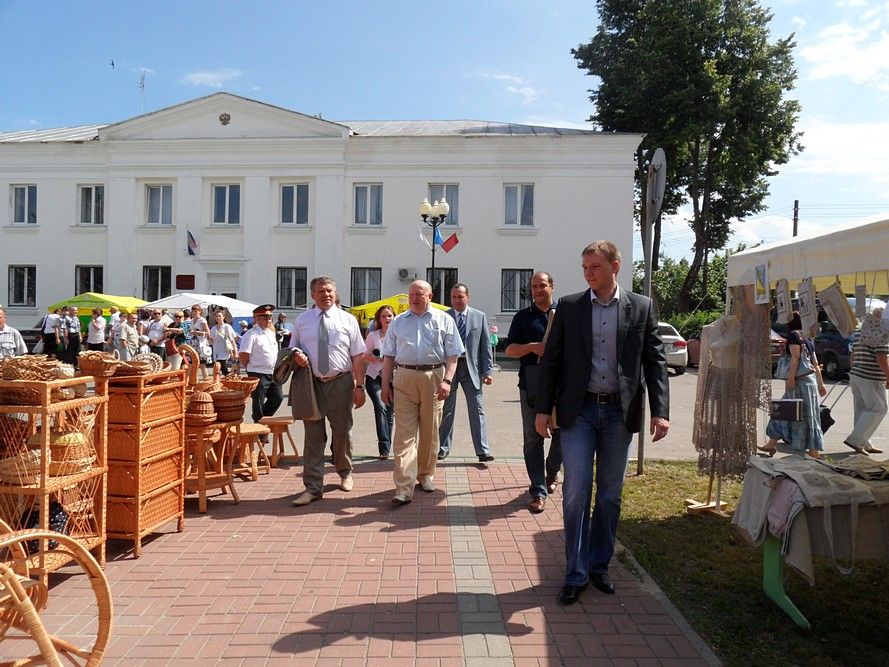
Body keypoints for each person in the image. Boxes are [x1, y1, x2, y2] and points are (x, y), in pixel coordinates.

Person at [535, 241, 670, 605]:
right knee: (576, 490)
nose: (588, 273)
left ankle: (599, 566)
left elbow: (654, 361)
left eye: (594, 266)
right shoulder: (570, 306)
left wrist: (661, 410)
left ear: (615, 266)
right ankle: (575, 572)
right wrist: (542, 408)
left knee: (610, 493)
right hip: (578, 412)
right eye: (584, 267)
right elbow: (552, 360)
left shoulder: (640, 307)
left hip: (617, 415)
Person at [381, 280, 463, 505]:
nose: (414, 298)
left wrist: (447, 380)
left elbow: (453, 355)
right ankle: (403, 487)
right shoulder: (398, 322)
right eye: (411, 294)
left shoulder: (444, 319)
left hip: (434, 378)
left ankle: (425, 474)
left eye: (419, 294)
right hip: (404, 377)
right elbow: (388, 356)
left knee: (429, 431)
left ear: (430, 295)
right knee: (404, 435)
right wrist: (385, 384)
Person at [289, 277, 367, 506]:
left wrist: (359, 386)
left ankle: (345, 472)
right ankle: (313, 487)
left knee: (342, 432)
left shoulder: (348, 320)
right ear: (313, 295)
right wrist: (296, 355)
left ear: (335, 292)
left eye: (330, 290)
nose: (326, 294)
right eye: (321, 291)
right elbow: (292, 348)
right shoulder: (302, 321)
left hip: (341, 382)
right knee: (313, 436)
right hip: (311, 384)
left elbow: (358, 356)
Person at [506, 270, 563, 513]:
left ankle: (551, 472)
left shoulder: (564, 314)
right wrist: (533, 348)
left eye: (542, 286)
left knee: (561, 435)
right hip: (531, 385)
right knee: (532, 439)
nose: (537, 290)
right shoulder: (522, 317)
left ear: (552, 286)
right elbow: (509, 350)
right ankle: (538, 490)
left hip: (562, 386)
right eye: (533, 287)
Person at [438, 283, 496, 463]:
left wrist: (488, 370)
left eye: (460, 297)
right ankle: (442, 448)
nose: (457, 300)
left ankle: (483, 451)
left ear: (468, 297)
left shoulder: (479, 317)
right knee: (447, 410)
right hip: (449, 370)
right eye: (454, 297)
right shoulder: (444, 317)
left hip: (472, 369)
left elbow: (485, 345)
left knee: (477, 409)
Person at [760, 310, 826, 458]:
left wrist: (790, 379)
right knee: (805, 414)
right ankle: (811, 451)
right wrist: (821, 384)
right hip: (810, 382)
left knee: (785, 411)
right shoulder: (807, 337)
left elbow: (795, 358)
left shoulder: (793, 335)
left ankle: (811, 451)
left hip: (799, 382)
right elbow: (815, 364)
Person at [844, 308, 889, 455]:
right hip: (870, 376)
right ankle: (856, 440)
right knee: (879, 408)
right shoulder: (880, 331)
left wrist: (854, 371)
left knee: (862, 409)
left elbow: (853, 353)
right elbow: (882, 358)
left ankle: (864, 443)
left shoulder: (861, 331)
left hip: (857, 373)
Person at [239, 304, 285, 431]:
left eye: (270, 316)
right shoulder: (251, 334)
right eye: (265, 317)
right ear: (257, 318)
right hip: (257, 372)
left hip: (273, 372)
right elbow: (243, 355)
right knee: (258, 400)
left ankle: (261, 421)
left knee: (278, 398)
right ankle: (259, 428)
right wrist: (250, 367)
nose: (268, 319)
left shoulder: (271, 333)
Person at [363, 305, 395, 460]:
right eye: (384, 316)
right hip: (374, 377)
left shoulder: (398, 334)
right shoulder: (373, 335)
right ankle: (383, 448)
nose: (387, 319)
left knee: (390, 413)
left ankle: (387, 448)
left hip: (393, 379)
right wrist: (377, 358)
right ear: (379, 319)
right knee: (380, 407)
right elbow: (365, 355)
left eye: (390, 316)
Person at [210, 310, 239, 376]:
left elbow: (232, 340)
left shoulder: (227, 327)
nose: (218, 318)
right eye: (216, 316)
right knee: (220, 368)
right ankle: (231, 376)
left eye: (219, 316)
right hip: (216, 350)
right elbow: (211, 341)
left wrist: (235, 352)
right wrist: (210, 338)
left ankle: (230, 376)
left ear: (223, 317)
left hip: (225, 350)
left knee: (220, 366)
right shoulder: (213, 328)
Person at [189, 304, 211, 379]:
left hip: (201, 343)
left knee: (202, 363)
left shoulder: (202, 320)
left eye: (196, 311)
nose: (194, 313)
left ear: (200, 311)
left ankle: (206, 379)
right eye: (193, 311)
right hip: (193, 343)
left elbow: (208, 332)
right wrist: (191, 332)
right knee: (193, 362)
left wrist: (196, 332)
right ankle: (194, 380)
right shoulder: (192, 320)